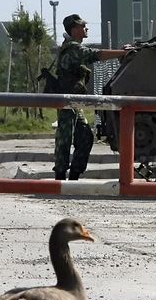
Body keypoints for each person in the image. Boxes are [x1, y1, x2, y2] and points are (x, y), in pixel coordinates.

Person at [52, 14, 127, 181]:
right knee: (65, 138)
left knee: (85, 136)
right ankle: (60, 176)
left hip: (74, 102)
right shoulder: (72, 48)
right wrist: (122, 53)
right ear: (74, 29)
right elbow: (95, 55)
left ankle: (74, 176)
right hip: (66, 101)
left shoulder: (73, 46)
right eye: (82, 26)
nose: (86, 28)